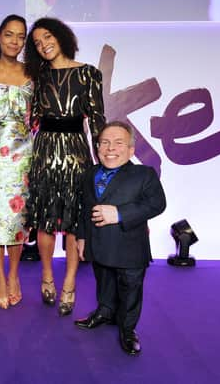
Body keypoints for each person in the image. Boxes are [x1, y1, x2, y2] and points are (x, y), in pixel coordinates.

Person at [24, 17, 106, 316]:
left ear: (61, 37)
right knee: (45, 218)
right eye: (36, 43)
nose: (43, 45)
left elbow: (97, 121)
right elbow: (27, 118)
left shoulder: (88, 74)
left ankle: (69, 282)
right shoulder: (36, 76)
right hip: (44, 151)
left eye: (47, 37)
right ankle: (47, 275)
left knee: (74, 222)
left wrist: (104, 165)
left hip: (76, 153)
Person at [74, 121, 166, 356]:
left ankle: (127, 329)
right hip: (98, 244)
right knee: (103, 281)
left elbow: (157, 204)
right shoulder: (89, 174)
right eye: (104, 142)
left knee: (130, 289)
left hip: (130, 248)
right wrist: (82, 238)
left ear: (131, 150)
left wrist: (119, 214)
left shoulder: (144, 174)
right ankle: (104, 312)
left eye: (118, 143)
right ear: (97, 147)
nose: (110, 148)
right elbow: (83, 209)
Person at [0, 14, 33, 309]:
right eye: (9, 34)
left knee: (18, 220)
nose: (15, 41)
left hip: (24, 156)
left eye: (20, 36)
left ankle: (14, 275)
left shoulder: (33, 74)